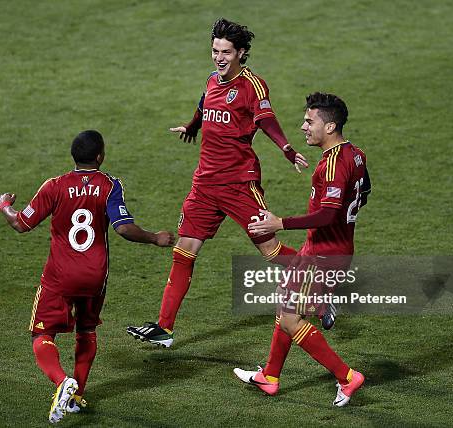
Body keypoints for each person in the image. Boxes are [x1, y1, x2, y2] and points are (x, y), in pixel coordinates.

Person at [126, 18, 309, 347]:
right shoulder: (212, 81)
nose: (219, 58)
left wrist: (286, 148)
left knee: (270, 250)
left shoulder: (252, 86)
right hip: (204, 186)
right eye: (214, 51)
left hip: (239, 184)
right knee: (184, 250)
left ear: (241, 52)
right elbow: (203, 105)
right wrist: (192, 126)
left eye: (226, 52)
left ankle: (319, 286)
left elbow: (265, 118)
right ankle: (164, 328)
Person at [0, 130, 174, 423]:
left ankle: (61, 380)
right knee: (87, 331)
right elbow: (123, 228)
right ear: (100, 156)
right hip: (95, 277)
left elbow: (21, 224)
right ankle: (77, 396)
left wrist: (5, 204)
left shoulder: (55, 186)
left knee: (42, 333)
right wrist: (155, 238)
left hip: (60, 277)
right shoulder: (110, 185)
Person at [233, 92, 370, 407]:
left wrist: (279, 222)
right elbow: (365, 192)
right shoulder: (355, 154)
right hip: (329, 246)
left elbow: (328, 214)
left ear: (330, 126)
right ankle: (270, 376)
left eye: (310, 121)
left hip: (324, 252)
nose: (303, 126)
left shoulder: (334, 164)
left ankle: (347, 377)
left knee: (293, 320)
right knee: (285, 309)